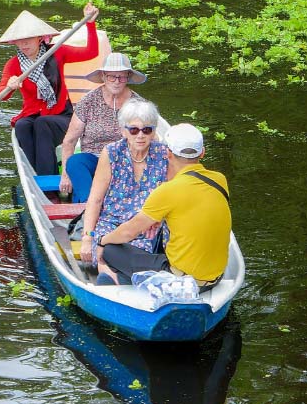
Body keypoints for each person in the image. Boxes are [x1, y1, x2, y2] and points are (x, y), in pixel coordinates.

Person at [95, 123, 231, 290]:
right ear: (202, 152)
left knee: (111, 250)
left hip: (182, 279)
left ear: (168, 153)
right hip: (215, 278)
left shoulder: (167, 191)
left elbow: (127, 232)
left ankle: (121, 279)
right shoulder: (220, 180)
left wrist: (102, 242)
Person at [0, 2, 100, 175]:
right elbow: (2, 95)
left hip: (61, 116)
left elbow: (91, 52)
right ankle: (32, 175)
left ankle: (48, 178)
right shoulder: (13, 64)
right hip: (31, 115)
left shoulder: (57, 52)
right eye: (19, 41)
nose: (23, 45)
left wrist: (90, 24)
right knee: (22, 126)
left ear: (39, 38)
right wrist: (10, 86)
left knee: (42, 124)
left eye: (27, 40)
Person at [79, 100, 168, 265]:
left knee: (142, 249)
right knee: (102, 250)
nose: (140, 135)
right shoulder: (111, 153)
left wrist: (160, 219)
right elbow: (95, 199)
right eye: (134, 130)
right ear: (123, 131)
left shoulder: (164, 154)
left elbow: (173, 197)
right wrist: (87, 237)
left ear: (154, 132)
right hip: (111, 222)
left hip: (146, 224)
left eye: (147, 130)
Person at [59, 52, 147, 203]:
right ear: (104, 77)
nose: (117, 81)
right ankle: (88, 206)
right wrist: (65, 176)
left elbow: (149, 139)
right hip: (93, 158)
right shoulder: (88, 101)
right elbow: (70, 141)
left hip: (125, 160)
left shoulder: (138, 104)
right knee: (75, 162)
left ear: (128, 78)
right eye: (112, 76)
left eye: (122, 77)